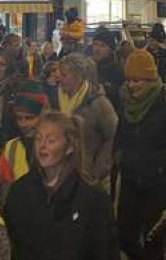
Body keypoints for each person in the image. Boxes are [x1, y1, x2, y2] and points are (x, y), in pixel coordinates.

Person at [3, 112, 120, 260]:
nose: (42, 146)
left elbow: (105, 254)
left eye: (51, 140)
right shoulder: (20, 191)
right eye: (38, 139)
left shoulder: (93, 199)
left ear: (69, 147)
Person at [115, 49, 166, 260]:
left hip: (159, 188)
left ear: (150, 78)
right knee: (125, 238)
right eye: (129, 80)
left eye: (137, 80)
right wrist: (120, 158)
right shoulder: (126, 106)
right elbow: (120, 138)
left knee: (154, 245)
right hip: (131, 185)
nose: (132, 85)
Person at [49, 53, 118, 189]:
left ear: (79, 77)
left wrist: (98, 169)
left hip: (90, 177)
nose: (59, 79)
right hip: (60, 175)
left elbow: (113, 136)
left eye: (64, 75)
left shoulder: (99, 103)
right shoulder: (54, 100)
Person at [2, 81, 47, 180]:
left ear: (43, 116)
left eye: (29, 118)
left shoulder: (57, 147)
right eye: (19, 118)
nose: (23, 124)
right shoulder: (11, 147)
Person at [90, 27, 125, 112]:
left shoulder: (117, 71)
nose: (97, 49)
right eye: (95, 44)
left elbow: (116, 97)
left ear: (111, 49)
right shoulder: (88, 67)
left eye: (102, 45)